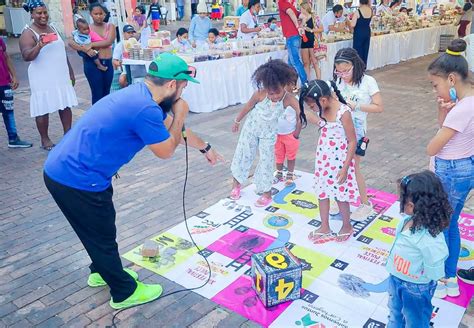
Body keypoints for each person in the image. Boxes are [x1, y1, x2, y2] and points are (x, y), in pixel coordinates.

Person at [44, 52, 223, 310]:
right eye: (183, 87)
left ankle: (101, 271)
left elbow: (174, 128)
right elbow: (166, 151)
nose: (183, 94)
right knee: (102, 235)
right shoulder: (145, 108)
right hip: (77, 178)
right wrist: (182, 113)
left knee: (97, 230)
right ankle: (123, 291)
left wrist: (205, 147)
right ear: (172, 85)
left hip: (66, 170)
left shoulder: (142, 94)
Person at [426, 39, 474, 299]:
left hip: (451, 170)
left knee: (442, 225)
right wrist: (441, 107)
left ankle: (445, 278)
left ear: (452, 79)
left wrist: (432, 142)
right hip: (461, 167)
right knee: (450, 223)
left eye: (436, 85)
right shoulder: (466, 103)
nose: (436, 90)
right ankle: (448, 276)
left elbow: (433, 147)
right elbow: (443, 123)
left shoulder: (464, 109)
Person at [230, 60, 299, 207]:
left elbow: (303, 113)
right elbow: (248, 106)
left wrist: (314, 123)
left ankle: (266, 192)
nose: (274, 96)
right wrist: (237, 121)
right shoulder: (260, 93)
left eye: (277, 92)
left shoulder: (289, 99)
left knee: (267, 161)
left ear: (284, 85)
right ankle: (236, 185)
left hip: (269, 133)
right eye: (271, 93)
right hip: (251, 128)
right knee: (244, 154)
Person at [386, 171, 450, 328]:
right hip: (395, 279)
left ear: (412, 205)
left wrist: (436, 274)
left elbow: (435, 261)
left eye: (402, 198)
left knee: (416, 322)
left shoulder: (431, 238)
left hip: (416, 288)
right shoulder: (408, 220)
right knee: (395, 313)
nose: (399, 201)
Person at [300, 80, 358, 243]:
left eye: (313, 106)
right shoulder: (322, 107)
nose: (313, 109)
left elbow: (352, 141)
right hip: (324, 159)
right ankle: (324, 225)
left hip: (341, 161)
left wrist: (346, 168)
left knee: (341, 195)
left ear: (323, 100)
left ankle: (346, 225)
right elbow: (315, 119)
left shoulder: (343, 112)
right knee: (322, 191)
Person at [333, 48, 383, 221]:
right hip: (338, 128)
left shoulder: (368, 81)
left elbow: (379, 106)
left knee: (353, 166)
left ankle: (365, 204)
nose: (343, 75)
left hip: (357, 130)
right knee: (337, 163)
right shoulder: (338, 81)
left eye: (346, 71)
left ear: (355, 66)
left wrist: (356, 106)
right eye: (338, 71)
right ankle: (339, 195)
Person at [19, 1, 77, 151]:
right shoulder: (28, 33)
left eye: (45, 12)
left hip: (60, 74)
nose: (43, 15)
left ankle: (68, 134)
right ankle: (45, 140)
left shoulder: (53, 28)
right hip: (42, 77)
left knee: (65, 105)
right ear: (32, 14)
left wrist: (70, 71)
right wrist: (39, 45)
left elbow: (61, 52)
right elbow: (26, 56)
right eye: (39, 13)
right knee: (42, 108)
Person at [68, 3, 115, 105]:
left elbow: (109, 42)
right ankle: (97, 119)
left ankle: (106, 118)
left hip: (107, 63)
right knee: (97, 94)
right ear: (90, 14)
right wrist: (84, 49)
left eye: (101, 13)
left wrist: (91, 44)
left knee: (106, 93)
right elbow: (71, 42)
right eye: (96, 14)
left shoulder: (110, 26)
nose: (99, 16)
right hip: (92, 64)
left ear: (105, 14)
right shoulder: (85, 28)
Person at [0, 36, 32, 148]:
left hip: (4, 82)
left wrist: (14, 75)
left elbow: (6, 56)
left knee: (8, 112)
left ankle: (13, 138)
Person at [273, 79, 304, 185]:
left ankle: (290, 173)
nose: (286, 87)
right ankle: (279, 172)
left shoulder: (295, 99)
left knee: (291, 155)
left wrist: (297, 132)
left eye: (289, 85)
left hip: (290, 134)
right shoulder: (276, 99)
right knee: (278, 154)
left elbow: (300, 116)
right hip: (277, 134)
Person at [278, 0, 307, 85]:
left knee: (295, 61)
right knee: (290, 62)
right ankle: (290, 84)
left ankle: (305, 83)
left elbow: (290, 13)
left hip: (291, 36)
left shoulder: (282, 2)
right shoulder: (292, 6)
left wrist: (298, 27)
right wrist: (300, 26)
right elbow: (303, 17)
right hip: (295, 36)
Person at [299, 1, 323, 79]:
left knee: (315, 61)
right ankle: (308, 81)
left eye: (301, 8)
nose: (300, 10)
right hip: (304, 41)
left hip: (313, 41)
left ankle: (319, 80)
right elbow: (300, 29)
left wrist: (311, 30)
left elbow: (321, 29)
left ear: (305, 8)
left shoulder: (315, 17)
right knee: (306, 63)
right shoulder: (301, 18)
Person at [350, 0, 372, 66]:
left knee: (358, 50)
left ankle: (358, 67)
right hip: (367, 32)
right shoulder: (370, 10)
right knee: (365, 50)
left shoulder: (358, 11)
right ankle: (363, 66)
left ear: (360, 2)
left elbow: (352, 24)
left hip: (359, 32)